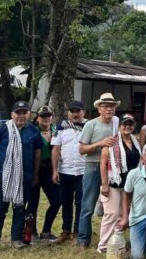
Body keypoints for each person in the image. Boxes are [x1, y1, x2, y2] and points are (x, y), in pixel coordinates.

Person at [0, 101, 42, 255]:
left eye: (25, 112)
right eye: (18, 112)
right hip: (4, 178)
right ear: (12, 115)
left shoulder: (33, 131)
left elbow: (37, 154)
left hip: (25, 178)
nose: (21, 116)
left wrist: (36, 175)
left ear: (29, 114)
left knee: (20, 209)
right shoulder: (3, 130)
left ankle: (16, 239)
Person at [77, 92, 120, 249]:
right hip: (93, 166)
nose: (109, 109)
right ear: (99, 109)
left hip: (113, 167)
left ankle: (111, 237)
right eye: (106, 106)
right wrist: (100, 143)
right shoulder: (91, 125)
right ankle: (83, 239)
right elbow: (81, 149)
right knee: (88, 204)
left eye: (112, 106)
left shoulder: (116, 123)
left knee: (112, 206)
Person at [98, 113, 141, 254]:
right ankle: (103, 245)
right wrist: (104, 184)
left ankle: (116, 242)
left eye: (130, 124)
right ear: (120, 126)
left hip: (129, 185)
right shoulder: (111, 141)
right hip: (113, 184)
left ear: (134, 126)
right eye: (125, 124)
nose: (127, 127)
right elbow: (103, 163)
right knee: (111, 214)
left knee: (123, 214)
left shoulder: (136, 142)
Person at [51, 100, 86, 244]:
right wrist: (54, 170)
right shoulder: (60, 128)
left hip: (83, 170)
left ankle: (78, 231)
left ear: (83, 112)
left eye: (78, 111)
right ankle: (66, 230)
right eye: (72, 111)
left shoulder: (89, 126)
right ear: (68, 113)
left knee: (80, 202)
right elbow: (55, 149)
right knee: (66, 202)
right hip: (65, 171)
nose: (75, 114)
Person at [26, 106, 61, 242]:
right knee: (33, 203)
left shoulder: (56, 131)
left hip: (49, 169)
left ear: (52, 117)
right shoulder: (32, 131)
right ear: (37, 118)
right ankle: (30, 232)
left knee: (57, 200)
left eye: (48, 116)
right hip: (35, 169)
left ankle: (46, 230)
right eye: (43, 116)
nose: (46, 119)